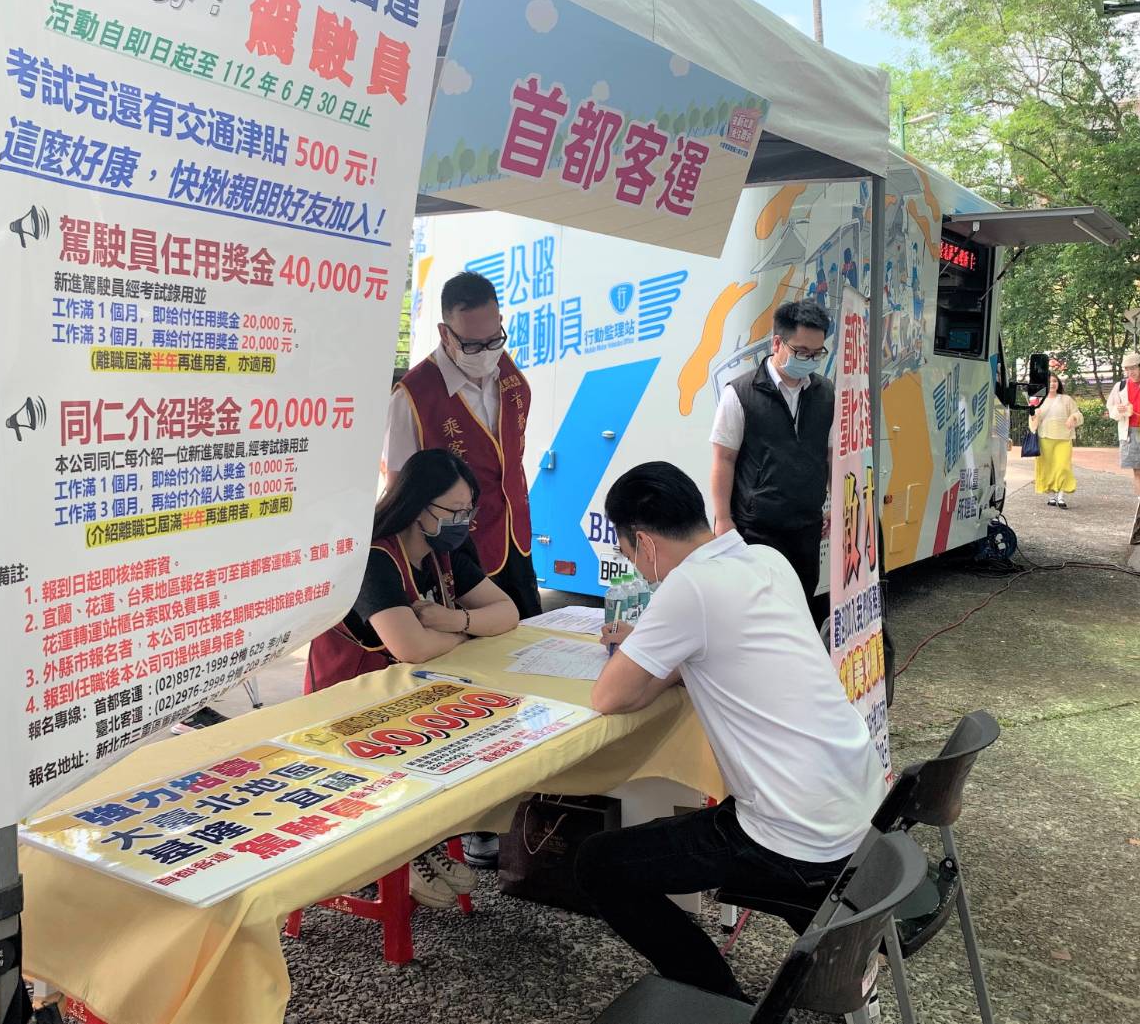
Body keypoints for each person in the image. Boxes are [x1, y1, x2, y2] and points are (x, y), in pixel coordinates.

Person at [574, 462, 881, 1002]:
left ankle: (721, 1002)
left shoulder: (688, 587)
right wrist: (661, 656)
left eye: (627, 554)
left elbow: (609, 696)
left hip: (793, 834)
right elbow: (717, 652)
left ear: (645, 543)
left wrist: (643, 650)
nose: (637, 568)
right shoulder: (766, 559)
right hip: (859, 807)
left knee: (599, 864)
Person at [306, 449, 519, 907]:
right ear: (418, 506)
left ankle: (422, 841)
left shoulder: (444, 554)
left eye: (468, 512)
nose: (462, 522)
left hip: (408, 698)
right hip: (348, 709)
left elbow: (507, 612)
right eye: (453, 511)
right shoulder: (374, 559)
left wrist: (454, 621)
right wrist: (464, 631)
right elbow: (410, 647)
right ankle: (392, 851)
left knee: (483, 732)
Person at [383, 271, 542, 620]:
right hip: (454, 547)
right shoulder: (413, 396)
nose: (485, 354)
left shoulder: (509, 375)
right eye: (472, 345)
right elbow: (398, 487)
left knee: (528, 629)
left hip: (515, 536)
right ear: (445, 333)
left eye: (494, 340)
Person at [710, 298, 834, 629]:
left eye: (817, 353)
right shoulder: (741, 393)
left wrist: (836, 505)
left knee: (799, 608)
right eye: (801, 352)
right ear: (777, 343)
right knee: (753, 612)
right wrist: (723, 519)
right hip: (755, 528)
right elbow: (723, 458)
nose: (809, 360)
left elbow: (831, 455)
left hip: (806, 528)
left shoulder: (825, 394)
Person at [1106, 352, 1140, 494]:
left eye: (1133, 368)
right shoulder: (1120, 386)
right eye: (1127, 369)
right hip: (1129, 431)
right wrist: (1119, 410)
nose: (1130, 372)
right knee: (1137, 470)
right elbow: (1111, 409)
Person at [1030, 374, 1083, 509]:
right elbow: (1032, 421)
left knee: (1063, 467)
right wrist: (1034, 415)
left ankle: (1061, 496)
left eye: (1054, 381)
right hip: (1045, 438)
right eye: (1049, 381)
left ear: (1058, 383)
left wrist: (1073, 418)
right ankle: (1051, 496)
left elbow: (1078, 414)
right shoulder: (1037, 400)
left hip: (1063, 438)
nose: (1052, 384)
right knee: (1047, 468)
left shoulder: (1066, 399)